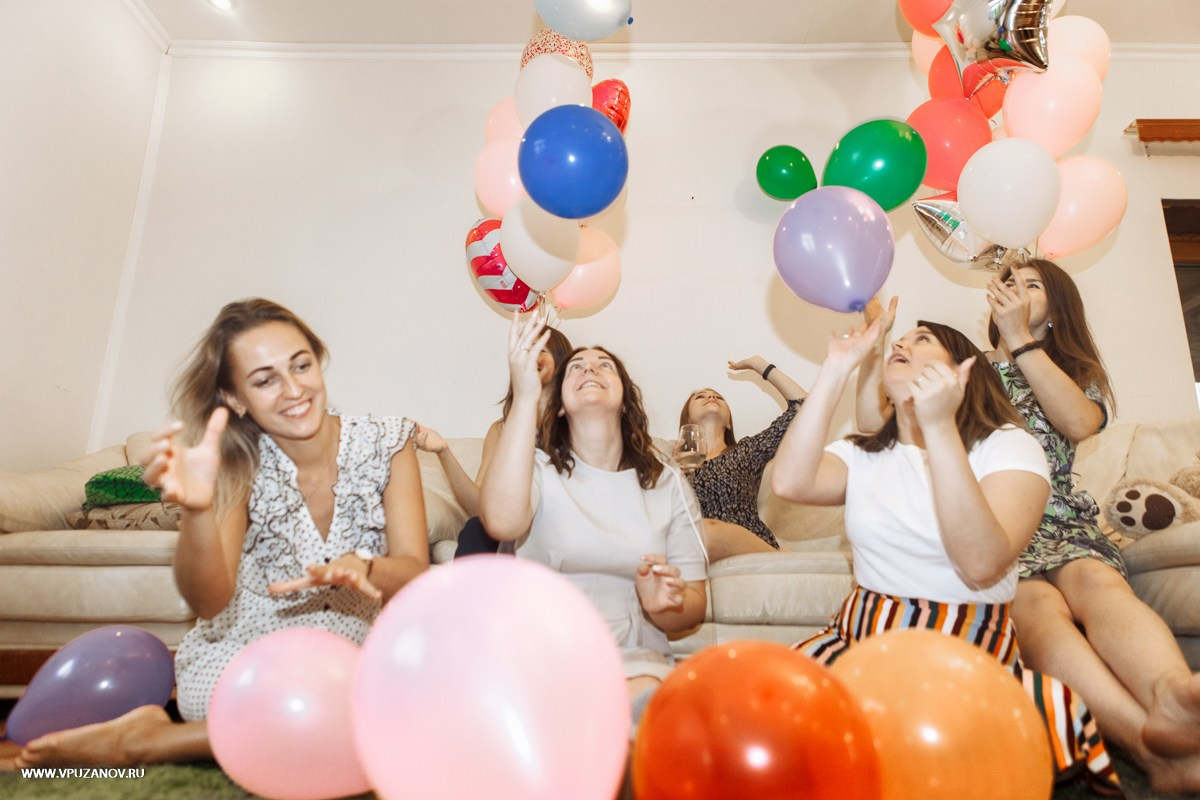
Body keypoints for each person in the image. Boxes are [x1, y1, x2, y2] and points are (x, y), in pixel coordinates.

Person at [14, 298, 429, 768]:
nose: (294, 389)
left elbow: (415, 570)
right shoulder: (236, 462)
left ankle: (146, 742)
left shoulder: (390, 442)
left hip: (345, 662)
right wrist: (196, 509)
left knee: (389, 713)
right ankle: (201, 734)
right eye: (265, 380)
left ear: (318, 359)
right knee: (347, 727)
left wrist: (367, 566)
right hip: (242, 660)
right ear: (235, 398)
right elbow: (208, 602)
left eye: (301, 364)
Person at [859, 261, 1200, 793]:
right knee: (1037, 610)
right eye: (1009, 281)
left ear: (1058, 312)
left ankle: (1174, 696)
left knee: (1098, 585)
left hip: (1064, 521)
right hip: (992, 522)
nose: (1014, 287)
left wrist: (1019, 337)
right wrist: (877, 353)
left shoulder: (1068, 369)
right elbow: (877, 426)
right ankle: (1146, 744)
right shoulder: (965, 369)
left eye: (1031, 284)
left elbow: (1080, 423)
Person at [775, 317, 1120, 793]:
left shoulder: (1010, 447)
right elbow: (790, 482)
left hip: (969, 651)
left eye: (923, 339)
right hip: (861, 641)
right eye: (902, 338)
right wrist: (837, 366)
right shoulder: (864, 453)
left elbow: (980, 562)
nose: (900, 342)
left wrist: (939, 428)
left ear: (965, 372)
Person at [478, 313, 708, 701]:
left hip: (636, 662)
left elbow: (695, 605)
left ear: (624, 403)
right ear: (562, 406)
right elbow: (501, 521)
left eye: (605, 366)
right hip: (544, 657)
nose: (590, 369)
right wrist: (527, 395)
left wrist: (664, 606)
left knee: (646, 705)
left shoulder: (667, 480)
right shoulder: (535, 468)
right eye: (576, 368)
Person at [413, 326, 572, 557]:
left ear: (561, 362)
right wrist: (443, 452)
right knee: (475, 529)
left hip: (557, 526)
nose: (531, 356)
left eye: (541, 349)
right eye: (526, 349)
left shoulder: (578, 423)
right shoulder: (502, 430)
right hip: (509, 529)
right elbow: (480, 509)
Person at [676, 357, 806, 560]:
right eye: (700, 397)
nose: (711, 396)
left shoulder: (747, 450)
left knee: (708, 531)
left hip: (742, 541)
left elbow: (804, 409)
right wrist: (673, 473)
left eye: (718, 397)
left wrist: (760, 366)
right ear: (688, 419)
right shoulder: (671, 464)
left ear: (728, 421)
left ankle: (774, 555)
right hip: (692, 548)